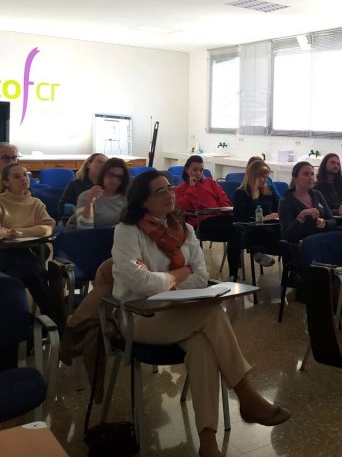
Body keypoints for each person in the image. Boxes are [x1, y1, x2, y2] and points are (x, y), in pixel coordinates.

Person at [111, 171, 290, 457]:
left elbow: (202, 276)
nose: (170, 193)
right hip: (139, 316)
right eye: (160, 191)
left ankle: (207, 441)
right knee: (211, 313)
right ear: (142, 201)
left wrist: (168, 280)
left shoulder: (185, 229)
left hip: (182, 313)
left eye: (170, 188)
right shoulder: (127, 231)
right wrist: (180, 274)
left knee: (203, 347)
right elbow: (138, 283)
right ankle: (245, 393)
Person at [0, 163, 56, 317]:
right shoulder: (1, 201)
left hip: (28, 250)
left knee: (17, 274)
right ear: (6, 182)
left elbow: (49, 226)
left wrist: (17, 232)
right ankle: (54, 319)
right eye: (16, 176)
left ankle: (23, 327)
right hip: (4, 252)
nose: (24, 179)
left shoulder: (36, 203)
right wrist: (4, 233)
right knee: (33, 271)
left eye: (25, 174)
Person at [175, 155, 240, 280]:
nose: (198, 173)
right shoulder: (181, 189)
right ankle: (234, 272)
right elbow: (187, 208)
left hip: (219, 219)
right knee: (235, 229)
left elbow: (224, 200)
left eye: (201, 170)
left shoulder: (211, 183)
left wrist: (224, 210)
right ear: (187, 170)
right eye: (195, 169)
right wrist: (192, 188)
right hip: (201, 223)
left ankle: (234, 272)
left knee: (238, 227)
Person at [233, 161, 280, 267]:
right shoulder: (242, 193)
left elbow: (278, 209)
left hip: (271, 225)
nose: (265, 180)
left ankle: (292, 270)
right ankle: (257, 251)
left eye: (267, 177)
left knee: (288, 234)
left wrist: (277, 215)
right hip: (251, 227)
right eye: (262, 177)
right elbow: (240, 218)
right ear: (253, 177)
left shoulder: (269, 191)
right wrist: (263, 218)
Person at [278, 161, 335, 243]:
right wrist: (301, 216)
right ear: (295, 178)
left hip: (322, 241)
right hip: (301, 246)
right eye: (306, 174)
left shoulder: (317, 194)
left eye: (312, 174)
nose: (310, 177)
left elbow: (333, 221)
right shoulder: (286, 201)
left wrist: (325, 223)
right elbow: (287, 235)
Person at [68, 157, 129, 229]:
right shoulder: (86, 195)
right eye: (111, 175)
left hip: (116, 237)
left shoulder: (126, 197)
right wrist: (90, 202)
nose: (114, 179)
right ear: (103, 174)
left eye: (119, 177)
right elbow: (84, 229)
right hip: (86, 237)